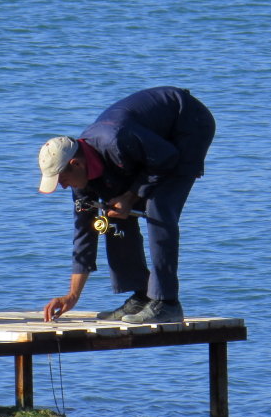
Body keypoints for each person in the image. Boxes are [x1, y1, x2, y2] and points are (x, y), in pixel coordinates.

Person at [38, 86, 215, 324]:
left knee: (158, 207)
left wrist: (131, 196)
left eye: (61, 179)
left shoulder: (116, 140)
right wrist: (72, 295)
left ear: (76, 164)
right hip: (148, 148)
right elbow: (84, 234)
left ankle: (167, 303)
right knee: (111, 214)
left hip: (187, 125)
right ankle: (143, 294)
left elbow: (167, 157)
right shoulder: (81, 182)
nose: (62, 186)